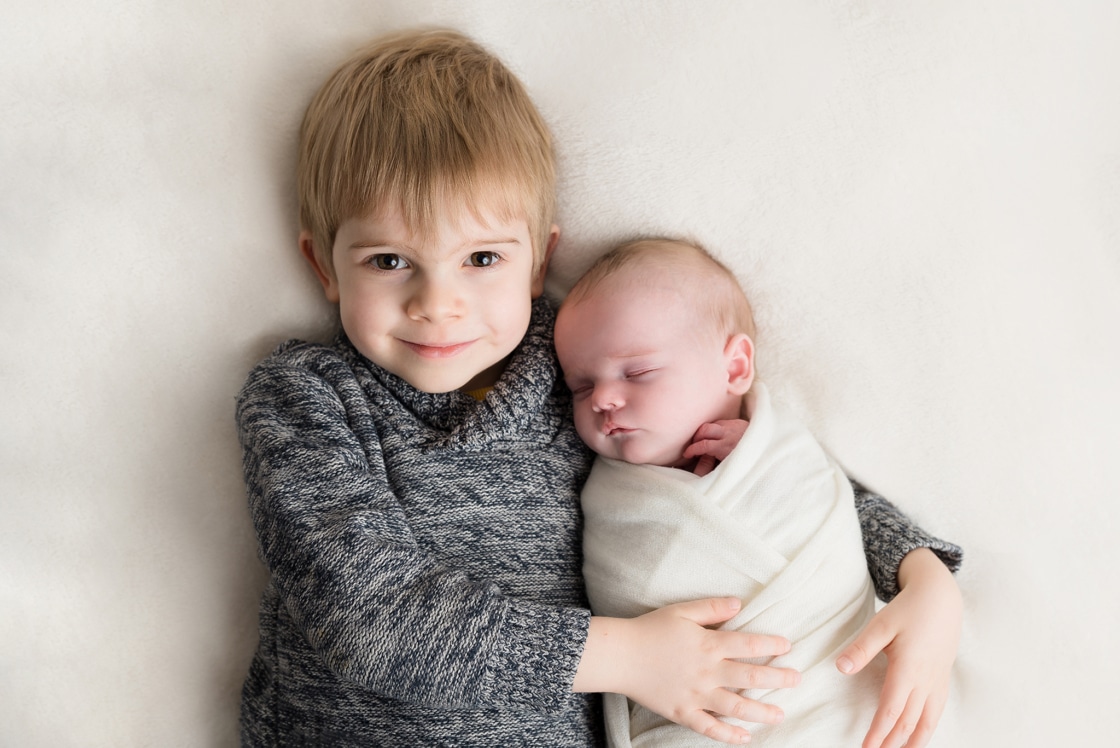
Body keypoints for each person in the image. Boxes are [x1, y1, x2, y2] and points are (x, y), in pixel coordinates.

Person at [236, 28, 962, 747]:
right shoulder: (308, 399)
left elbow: (792, 485)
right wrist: (628, 655)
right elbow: (369, 617)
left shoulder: (585, 372)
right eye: (390, 261)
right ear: (325, 267)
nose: (439, 303)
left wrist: (921, 575)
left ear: (537, 260)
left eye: (481, 257)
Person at [554, 237, 963, 748]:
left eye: (637, 372)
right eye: (580, 386)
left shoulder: (785, 449)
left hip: (836, 690)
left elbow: (831, 506)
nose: (605, 400)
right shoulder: (607, 492)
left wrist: (767, 461)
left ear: (734, 368)